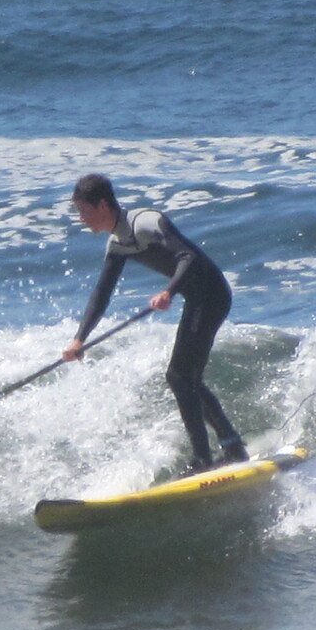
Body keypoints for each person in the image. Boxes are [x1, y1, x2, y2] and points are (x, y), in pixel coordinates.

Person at [62, 173, 248, 474]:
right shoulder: (118, 243)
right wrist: (79, 339)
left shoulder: (146, 222)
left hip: (212, 294)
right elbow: (101, 295)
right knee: (186, 378)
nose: (81, 218)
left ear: (103, 205)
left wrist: (168, 291)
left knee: (179, 377)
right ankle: (232, 446)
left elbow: (187, 256)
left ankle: (204, 459)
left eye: (83, 210)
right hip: (197, 300)